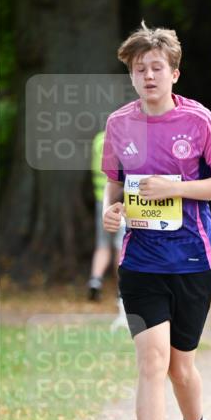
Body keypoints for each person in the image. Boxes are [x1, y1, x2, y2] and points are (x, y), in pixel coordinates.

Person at [102, 21, 211, 420]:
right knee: (152, 363)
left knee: (182, 367)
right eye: (140, 69)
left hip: (192, 261)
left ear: (174, 73)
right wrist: (110, 210)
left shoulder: (198, 122)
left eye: (157, 67)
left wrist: (177, 188)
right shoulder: (119, 125)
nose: (149, 75)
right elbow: (114, 186)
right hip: (140, 263)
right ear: (132, 76)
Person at [87, 129, 125, 301]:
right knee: (120, 245)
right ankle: (121, 290)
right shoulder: (124, 141)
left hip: (100, 200)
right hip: (120, 201)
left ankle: (95, 281)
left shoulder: (98, 139)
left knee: (102, 245)